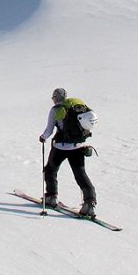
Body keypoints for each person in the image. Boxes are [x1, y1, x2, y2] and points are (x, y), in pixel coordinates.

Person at [39, 87, 97, 217]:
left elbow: (49, 130)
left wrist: (43, 137)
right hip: (78, 147)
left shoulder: (56, 110)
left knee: (50, 170)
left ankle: (51, 197)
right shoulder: (78, 108)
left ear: (55, 98)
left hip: (61, 147)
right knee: (80, 174)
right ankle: (89, 204)